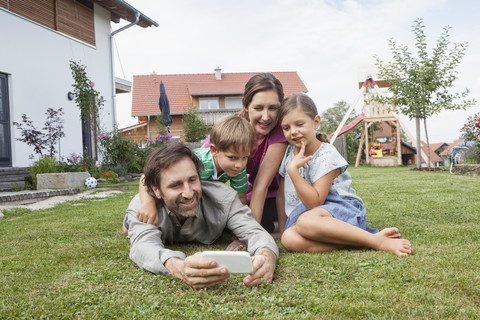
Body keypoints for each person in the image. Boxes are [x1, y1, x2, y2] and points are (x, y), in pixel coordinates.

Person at [125, 143, 278, 289]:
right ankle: (127, 224)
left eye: (193, 180)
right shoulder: (143, 207)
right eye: (175, 185)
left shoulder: (224, 198)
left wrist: (266, 256)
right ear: (156, 189)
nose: (189, 193)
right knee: (129, 229)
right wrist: (178, 266)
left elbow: (255, 232)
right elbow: (142, 246)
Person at [277, 93, 412, 257]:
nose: (293, 132)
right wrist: (284, 227)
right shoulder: (289, 152)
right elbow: (281, 195)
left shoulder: (326, 155)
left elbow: (315, 201)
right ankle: (364, 241)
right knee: (289, 239)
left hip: (340, 209)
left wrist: (293, 171)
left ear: (316, 122)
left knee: (306, 221)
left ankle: (379, 242)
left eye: (299, 124)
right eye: (286, 127)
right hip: (309, 217)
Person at [122, 115, 254, 237]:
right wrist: (147, 204)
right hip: (172, 194)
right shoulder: (198, 161)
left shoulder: (239, 168)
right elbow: (145, 178)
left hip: (196, 200)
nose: (239, 164)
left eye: (245, 157)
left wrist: (237, 225)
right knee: (131, 227)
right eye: (232, 157)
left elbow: (240, 197)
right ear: (214, 150)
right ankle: (131, 218)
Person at [204, 73, 288, 236]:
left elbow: (261, 186)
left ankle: (277, 225)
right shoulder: (232, 129)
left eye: (273, 108)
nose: (266, 117)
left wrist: (249, 235)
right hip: (243, 195)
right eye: (258, 108)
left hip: (272, 197)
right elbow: (197, 159)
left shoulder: (279, 131)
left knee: (256, 222)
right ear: (246, 105)